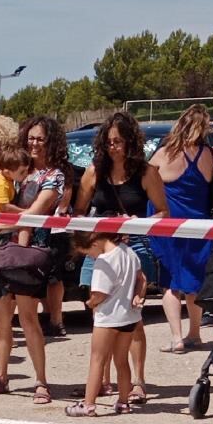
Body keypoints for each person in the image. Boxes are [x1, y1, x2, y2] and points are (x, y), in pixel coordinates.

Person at [78, 110, 163, 396]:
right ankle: (101, 380)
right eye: (109, 142)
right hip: (100, 250)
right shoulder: (93, 172)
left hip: (133, 247)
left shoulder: (147, 172)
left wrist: (137, 224)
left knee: (133, 317)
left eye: (119, 141)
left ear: (130, 142)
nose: (114, 147)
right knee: (99, 314)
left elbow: (164, 212)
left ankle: (138, 381)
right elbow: (79, 212)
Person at [0, 137, 50, 401]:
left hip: (20, 254)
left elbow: (26, 217)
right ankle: (0, 377)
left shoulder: (42, 180)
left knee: (29, 319)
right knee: (1, 321)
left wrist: (4, 225)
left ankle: (40, 381)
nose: (35, 145)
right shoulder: (6, 182)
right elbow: (7, 215)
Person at [148, 104, 213, 353]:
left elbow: (145, 177)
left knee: (170, 282)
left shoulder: (164, 153)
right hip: (199, 226)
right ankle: (195, 333)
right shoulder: (207, 154)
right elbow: (209, 182)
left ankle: (176, 337)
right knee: (193, 280)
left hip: (168, 226)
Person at [69, 220, 145, 417]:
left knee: (97, 360)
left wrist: (91, 302)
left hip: (108, 317)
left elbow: (100, 293)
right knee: (122, 361)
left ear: (94, 243)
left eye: (88, 254)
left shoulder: (104, 261)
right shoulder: (128, 252)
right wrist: (137, 295)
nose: (91, 258)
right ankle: (123, 401)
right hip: (129, 317)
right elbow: (142, 279)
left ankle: (88, 404)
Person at [16, 114, 80, 343]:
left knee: (53, 278)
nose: (34, 143)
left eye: (40, 139)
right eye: (31, 138)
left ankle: (55, 319)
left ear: (50, 142)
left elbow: (41, 208)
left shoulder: (58, 174)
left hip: (49, 234)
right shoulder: (20, 169)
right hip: (19, 237)